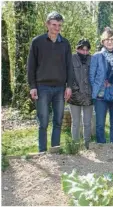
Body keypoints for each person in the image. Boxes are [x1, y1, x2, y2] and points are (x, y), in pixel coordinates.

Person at [27, 11, 73, 152]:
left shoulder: (65, 44)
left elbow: (69, 66)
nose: (57, 28)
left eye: (59, 25)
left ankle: (55, 150)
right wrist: (32, 86)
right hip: (42, 87)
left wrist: (69, 86)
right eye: (54, 24)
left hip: (60, 88)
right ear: (47, 24)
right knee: (44, 122)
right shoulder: (37, 42)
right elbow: (31, 66)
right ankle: (42, 152)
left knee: (58, 121)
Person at [89, 27, 113, 144]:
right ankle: (101, 144)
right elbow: (92, 76)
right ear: (103, 41)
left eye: (112, 39)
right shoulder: (97, 56)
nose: (110, 42)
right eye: (107, 39)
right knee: (100, 123)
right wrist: (96, 88)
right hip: (101, 93)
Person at [67, 39, 92, 149]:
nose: (84, 52)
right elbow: (67, 76)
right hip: (74, 96)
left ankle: (87, 144)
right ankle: (75, 145)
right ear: (77, 49)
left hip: (89, 96)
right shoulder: (71, 59)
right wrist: (73, 90)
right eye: (82, 50)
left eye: (87, 50)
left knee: (87, 122)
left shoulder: (92, 59)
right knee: (76, 122)